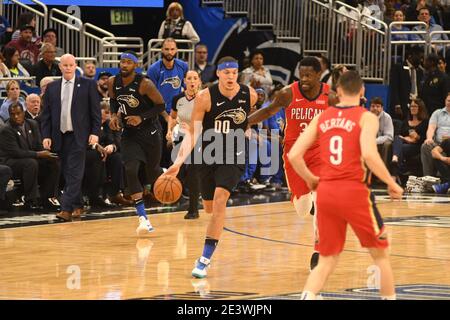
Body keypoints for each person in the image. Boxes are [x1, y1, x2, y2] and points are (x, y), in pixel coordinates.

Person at [288, 70, 403, 300]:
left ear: (337, 92)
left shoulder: (323, 117)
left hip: (326, 192)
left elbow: (293, 155)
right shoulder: (366, 117)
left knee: (326, 260)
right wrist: (391, 182)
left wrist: (310, 178)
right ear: (362, 92)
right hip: (354, 192)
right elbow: (370, 155)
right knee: (381, 255)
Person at [165, 56, 258, 278]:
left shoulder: (249, 94)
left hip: (234, 153)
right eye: (226, 73)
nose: (231, 77)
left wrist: (249, 130)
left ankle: (204, 259)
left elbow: (251, 117)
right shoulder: (205, 98)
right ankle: (214, 231)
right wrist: (177, 163)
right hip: (207, 153)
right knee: (208, 207)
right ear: (218, 74)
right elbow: (193, 133)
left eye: (234, 72)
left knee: (219, 201)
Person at [248, 56, 330, 270]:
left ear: (319, 75)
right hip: (294, 155)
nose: (304, 78)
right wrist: (244, 122)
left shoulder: (330, 95)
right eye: (301, 74)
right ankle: (303, 199)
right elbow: (267, 111)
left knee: (322, 202)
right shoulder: (287, 93)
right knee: (303, 208)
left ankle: (318, 250)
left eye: (309, 75)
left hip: (320, 153)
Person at [108, 51, 166, 235]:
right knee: (131, 169)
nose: (124, 65)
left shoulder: (145, 84)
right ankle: (142, 217)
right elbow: (113, 101)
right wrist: (114, 116)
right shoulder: (113, 82)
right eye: (122, 62)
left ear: (135, 65)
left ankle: (165, 175)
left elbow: (161, 105)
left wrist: (141, 117)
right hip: (130, 135)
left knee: (152, 172)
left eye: (128, 62)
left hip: (150, 133)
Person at [40, 54, 101, 221]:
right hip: (59, 135)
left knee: (74, 171)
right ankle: (78, 204)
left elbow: (95, 112)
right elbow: (46, 115)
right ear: (60, 67)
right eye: (64, 65)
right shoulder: (52, 87)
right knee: (68, 172)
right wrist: (46, 135)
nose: (67, 68)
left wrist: (95, 132)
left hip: (79, 136)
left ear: (75, 66)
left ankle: (66, 209)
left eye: (71, 65)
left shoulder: (87, 85)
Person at [0, 102, 60, 211]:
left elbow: (37, 145)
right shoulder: (6, 129)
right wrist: (39, 154)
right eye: (12, 114)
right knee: (31, 163)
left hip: (29, 158)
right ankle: (31, 200)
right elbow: (16, 152)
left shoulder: (32, 124)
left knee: (52, 162)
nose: (16, 116)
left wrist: (46, 153)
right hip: (10, 161)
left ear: (23, 113)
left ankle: (47, 197)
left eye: (18, 113)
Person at [147, 38, 188, 168]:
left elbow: (187, 89)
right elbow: (150, 96)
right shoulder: (154, 69)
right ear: (161, 50)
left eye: (172, 49)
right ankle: (157, 180)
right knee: (159, 148)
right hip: (159, 113)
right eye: (166, 49)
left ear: (176, 50)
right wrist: (166, 116)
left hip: (178, 114)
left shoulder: (183, 66)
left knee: (177, 147)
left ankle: (175, 178)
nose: (169, 52)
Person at [167, 70, 202, 219]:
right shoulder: (178, 98)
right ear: (184, 81)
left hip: (199, 137)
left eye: (195, 78)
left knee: (193, 172)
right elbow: (173, 116)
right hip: (181, 136)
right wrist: (169, 130)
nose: (192, 81)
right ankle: (175, 197)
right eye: (189, 78)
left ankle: (193, 209)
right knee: (176, 168)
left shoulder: (203, 99)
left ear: (199, 81)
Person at [391, 98, 429, 180]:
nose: (412, 108)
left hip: (417, 146)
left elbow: (426, 138)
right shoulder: (406, 121)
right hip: (405, 143)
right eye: (411, 106)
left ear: (420, 108)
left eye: (415, 106)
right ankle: (395, 162)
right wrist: (406, 139)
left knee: (399, 148)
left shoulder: (425, 122)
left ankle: (395, 171)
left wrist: (417, 137)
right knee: (397, 139)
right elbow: (400, 134)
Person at [389, 45, 424, 121]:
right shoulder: (398, 68)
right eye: (419, 57)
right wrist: (397, 105)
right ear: (411, 55)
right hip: (402, 104)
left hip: (416, 104)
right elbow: (395, 88)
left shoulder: (420, 71)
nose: (421, 60)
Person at [421, 92, 450, 176]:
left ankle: (443, 178)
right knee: (425, 146)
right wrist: (429, 138)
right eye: (448, 100)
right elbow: (431, 128)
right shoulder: (437, 113)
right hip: (438, 144)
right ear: (445, 101)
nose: (449, 103)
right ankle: (428, 178)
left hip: (448, 145)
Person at [369, 97, 394, 168]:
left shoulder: (387, 117)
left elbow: (389, 136)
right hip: (369, 143)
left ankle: (382, 171)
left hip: (381, 144)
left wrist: (375, 141)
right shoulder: (366, 117)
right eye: (373, 106)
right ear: (369, 108)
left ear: (382, 108)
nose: (375, 108)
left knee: (387, 144)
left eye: (378, 106)